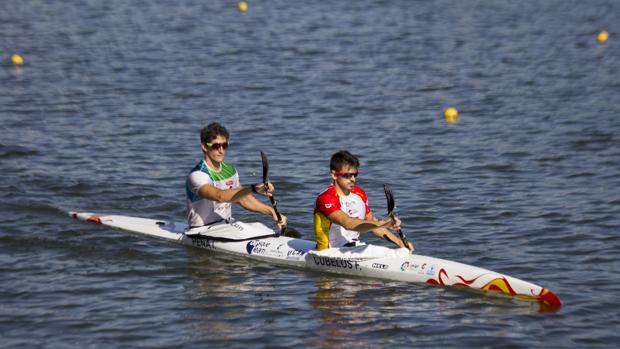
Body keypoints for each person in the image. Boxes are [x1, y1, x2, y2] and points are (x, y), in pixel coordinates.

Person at [185, 122, 287, 232]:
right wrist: (253, 188)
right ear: (204, 147)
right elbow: (219, 196)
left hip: (227, 225)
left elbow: (242, 199)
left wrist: (272, 212)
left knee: (260, 227)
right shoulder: (198, 175)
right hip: (203, 230)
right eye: (216, 146)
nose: (221, 150)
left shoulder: (230, 170)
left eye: (224, 145)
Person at [314, 150, 414, 252]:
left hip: (354, 247)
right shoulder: (326, 198)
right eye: (347, 175)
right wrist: (384, 223)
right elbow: (348, 223)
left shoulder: (360, 194)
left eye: (355, 174)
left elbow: (374, 225)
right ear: (334, 175)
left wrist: (400, 243)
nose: (353, 179)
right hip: (330, 252)